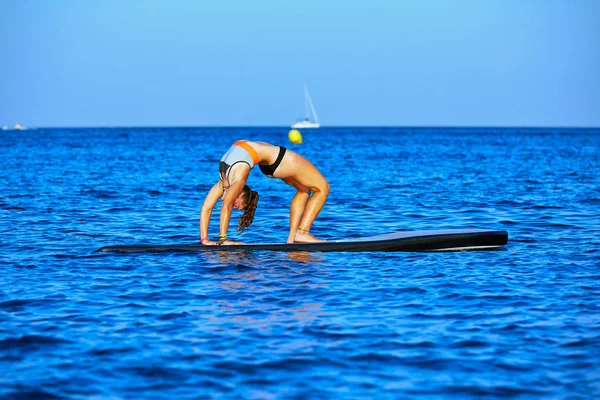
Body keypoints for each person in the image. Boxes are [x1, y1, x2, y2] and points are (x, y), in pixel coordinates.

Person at [200, 140, 330, 245]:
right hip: (280, 161)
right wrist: (222, 240)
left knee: (304, 189)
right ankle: (303, 232)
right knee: (323, 187)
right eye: (237, 206)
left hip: (269, 164)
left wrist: (205, 240)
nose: (233, 206)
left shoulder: (223, 181)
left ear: (239, 193)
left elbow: (210, 208)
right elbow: (218, 207)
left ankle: (292, 238)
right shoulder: (238, 180)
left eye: (236, 205)